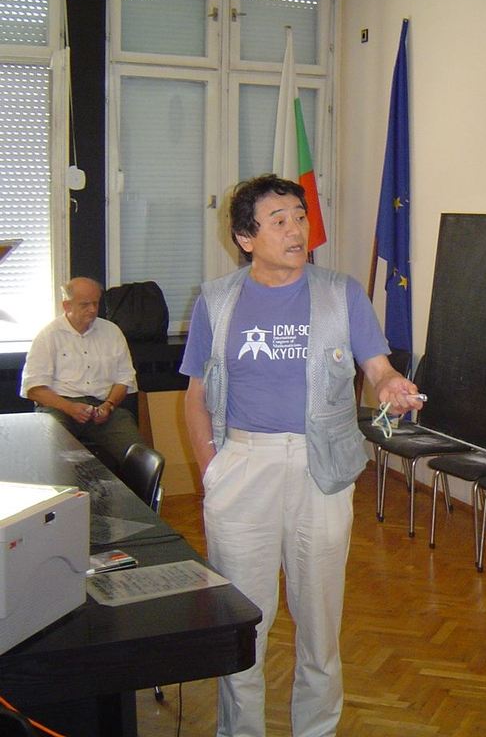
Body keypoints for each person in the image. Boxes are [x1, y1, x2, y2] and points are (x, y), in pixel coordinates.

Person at [180, 174, 422, 737]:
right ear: (245, 238)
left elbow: (378, 367)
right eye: (279, 221)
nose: (297, 230)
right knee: (244, 620)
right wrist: (213, 470)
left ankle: (317, 730)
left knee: (319, 621)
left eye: (300, 216)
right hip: (243, 467)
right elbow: (195, 397)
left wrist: (390, 385)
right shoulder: (216, 300)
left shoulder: (342, 293)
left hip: (322, 470)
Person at [20, 276, 145, 473]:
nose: (92, 310)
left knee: (139, 457)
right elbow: (34, 389)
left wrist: (109, 405)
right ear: (66, 305)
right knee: (54, 456)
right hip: (60, 407)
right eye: (85, 304)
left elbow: (125, 379)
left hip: (103, 407)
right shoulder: (48, 335)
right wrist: (69, 407)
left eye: (95, 303)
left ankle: (139, 492)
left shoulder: (112, 332)